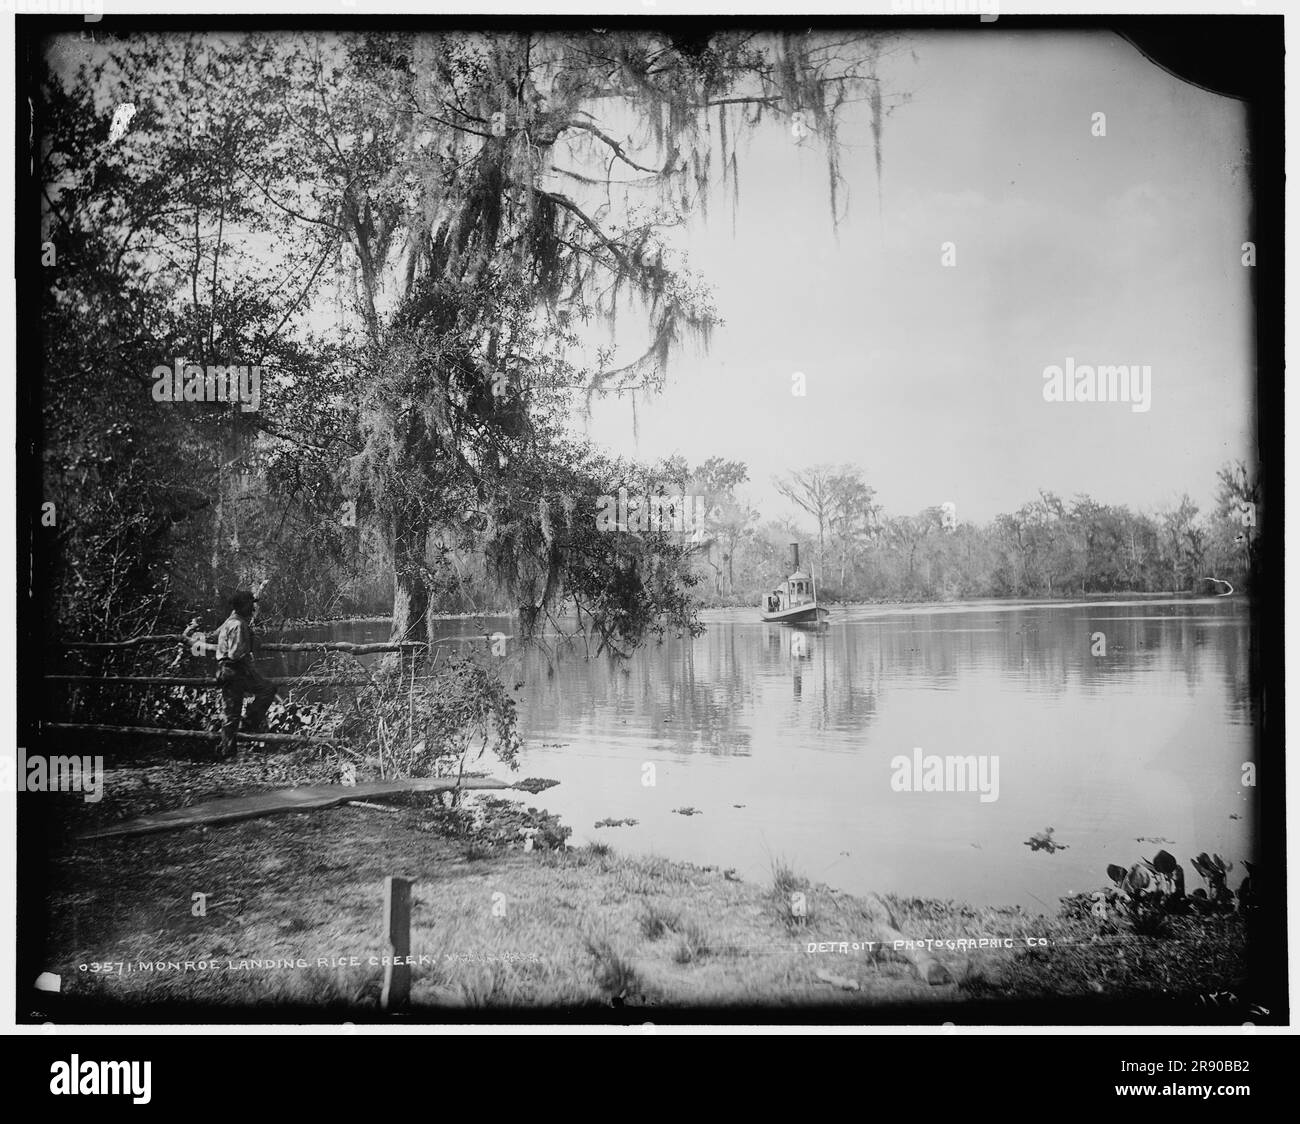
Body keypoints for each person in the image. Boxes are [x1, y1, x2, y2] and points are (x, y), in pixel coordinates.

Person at [214, 590, 277, 759]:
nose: (253, 608)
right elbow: (236, 654)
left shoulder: (235, 622)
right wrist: (250, 668)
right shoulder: (237, 625)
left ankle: (241, 732)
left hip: (232, 670)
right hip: (234, 670)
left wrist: (252, 638)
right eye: (250, 604)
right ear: (242, 606)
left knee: (266, 689)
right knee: (232, 714)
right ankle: (230, 750)